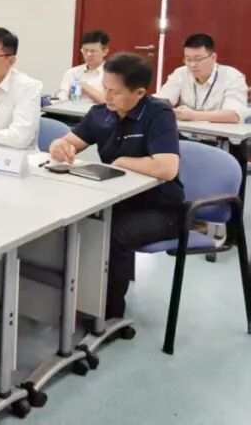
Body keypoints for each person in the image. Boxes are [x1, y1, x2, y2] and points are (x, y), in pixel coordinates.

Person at [47, 53, 182, 319]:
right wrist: (58, 145)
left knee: (111, 235)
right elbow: (70, 142)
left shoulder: (158, 114)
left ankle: (107, 314)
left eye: (115, 92)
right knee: (72, 224)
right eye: (105, 88)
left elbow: (167, 168)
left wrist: (121, 161)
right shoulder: (101, 113)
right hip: (115, 200)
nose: (106, 96)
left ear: (139, 92)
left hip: (161, 209)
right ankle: (74, 299)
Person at [158, 33, 249, 123]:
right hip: (186, 130)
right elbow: (162, 101)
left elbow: (234, 115)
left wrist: (193, 115)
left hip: (220, 131)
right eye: (188, 59)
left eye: (198, 59)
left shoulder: (232, 76)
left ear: (213, 57)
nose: (193, 65)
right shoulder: (180, 73)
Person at [56, 30, 109, 103]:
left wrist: (85, 86)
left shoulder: (111, 74)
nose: (88, 54)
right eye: (85, 50)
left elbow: (108, 102)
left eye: (93, 51)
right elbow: (62, 95)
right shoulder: (72, 72)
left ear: (105, 52)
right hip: (71, 109)